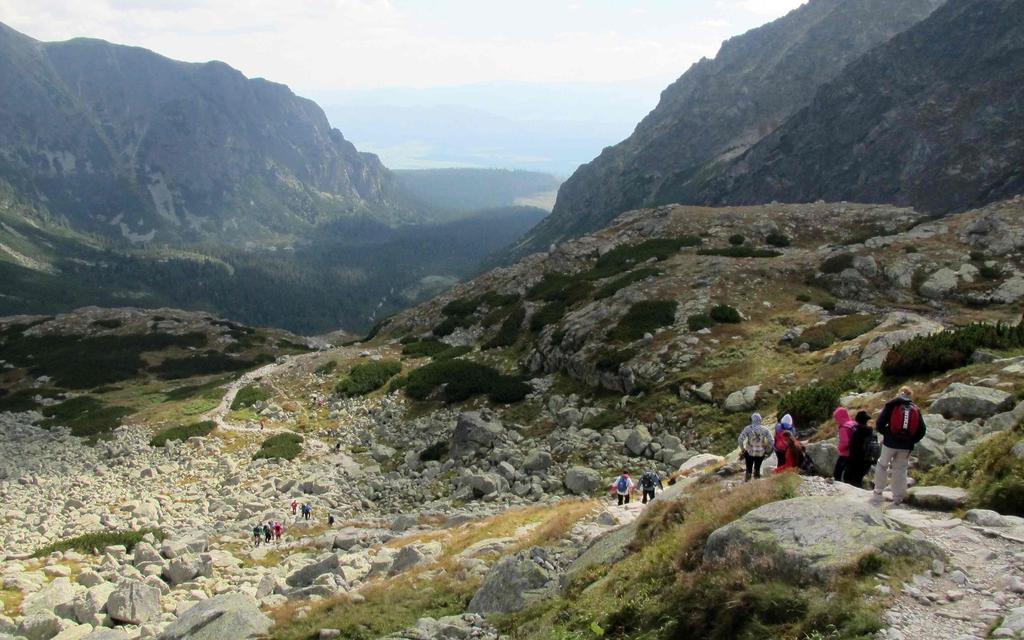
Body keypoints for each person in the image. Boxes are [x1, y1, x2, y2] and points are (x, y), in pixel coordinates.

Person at [874, 386, 926, 505]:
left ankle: (878, 491)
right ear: (910, 395)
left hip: (890, 443)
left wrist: (887, 434)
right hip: (906, 446)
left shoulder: (892, 405)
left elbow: (880, 424)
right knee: (900, 470)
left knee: (882, 464)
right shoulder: (915, 409)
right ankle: (898, 497)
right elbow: (922, 430)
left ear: (899, 394)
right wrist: (911, 440)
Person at [845, 410, 877, 489]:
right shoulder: (871, 432)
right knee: (859, 479)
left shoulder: (856, 431)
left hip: (855, 459)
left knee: (851, 480)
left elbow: (852, 446)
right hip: (867, 460)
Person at [738, 412, 773, 482]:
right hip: (760, 453)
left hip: (749, 453)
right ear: (760, 420)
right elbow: (771, 440)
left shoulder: (748, 428)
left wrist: (742, 449)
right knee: (757, 469)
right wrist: (767, 450)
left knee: (749, 469)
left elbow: (740, 439)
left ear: (752, 420)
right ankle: (757, 484)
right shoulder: (765, 429)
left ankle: (747, 483)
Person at [832, 407, 857, 482]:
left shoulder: (843, 428)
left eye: (836, 418)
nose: (836, 420)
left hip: (845, 454)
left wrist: (839, 448)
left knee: (837, 473)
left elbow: (845, 442)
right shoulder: (853, 423)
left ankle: (839, 487)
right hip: (855, 453)